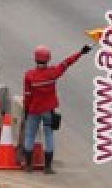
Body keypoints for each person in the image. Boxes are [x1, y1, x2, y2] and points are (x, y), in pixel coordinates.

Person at [21, 44, 91, 173]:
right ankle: (47, 167)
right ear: (48, 59)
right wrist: (80, 53)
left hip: (33, 110)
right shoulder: (53, 73)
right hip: (48, 110)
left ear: (35, 59)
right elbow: (66, 63)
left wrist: (26, 111)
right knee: (49, 135)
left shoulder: (29, 75)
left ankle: (28, 166)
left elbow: (27, 95)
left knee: (30, 135)